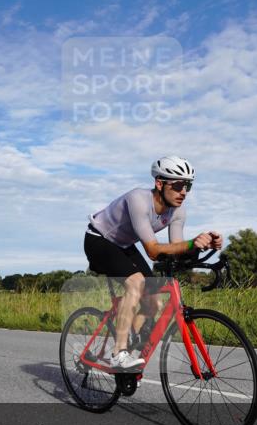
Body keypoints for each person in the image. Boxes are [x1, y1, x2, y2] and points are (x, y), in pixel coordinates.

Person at [84, 156, 222, 369]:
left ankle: (127, 358)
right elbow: (153, 251)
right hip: (99, 240)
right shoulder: (138, 200)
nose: (183, 192)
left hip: (124, 245)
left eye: (187, 186)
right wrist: (190, 243)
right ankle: (118, 353)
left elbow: (176, 248)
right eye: (178, 185)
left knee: (153, 301)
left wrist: (200, 246)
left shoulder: (178, 211)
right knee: (136, 283)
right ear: (159, 183)